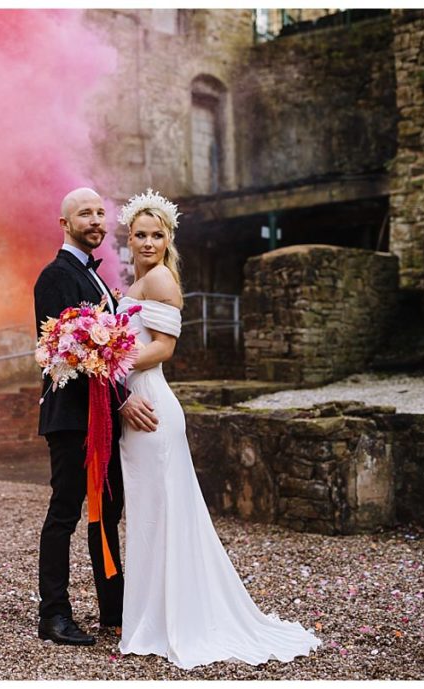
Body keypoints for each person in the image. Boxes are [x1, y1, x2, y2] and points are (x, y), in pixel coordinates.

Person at [114, 188, 322, 668]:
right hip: (140, 403)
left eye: (156, 234)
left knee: (160, 514)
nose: (147, 242)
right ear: (130, 238)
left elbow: (164, 349)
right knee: (151, 514)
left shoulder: (162, 279)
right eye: (139, 235)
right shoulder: (140, 280)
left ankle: (172, 621)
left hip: (152, 407)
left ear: (168, 238)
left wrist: (108, 361)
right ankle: (155, 615)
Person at [33, 187, 158, 646]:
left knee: (108, 513)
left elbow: (110, 348)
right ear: (64, 223)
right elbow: (67, 352)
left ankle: (113, 611)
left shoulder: (100, 280)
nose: (96, 220)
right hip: (71, 417)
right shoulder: (55, 276)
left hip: (104, 418)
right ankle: (54, 615)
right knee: (64, 513)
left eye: (100, 213)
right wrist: (123, 399)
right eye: (84, 213)